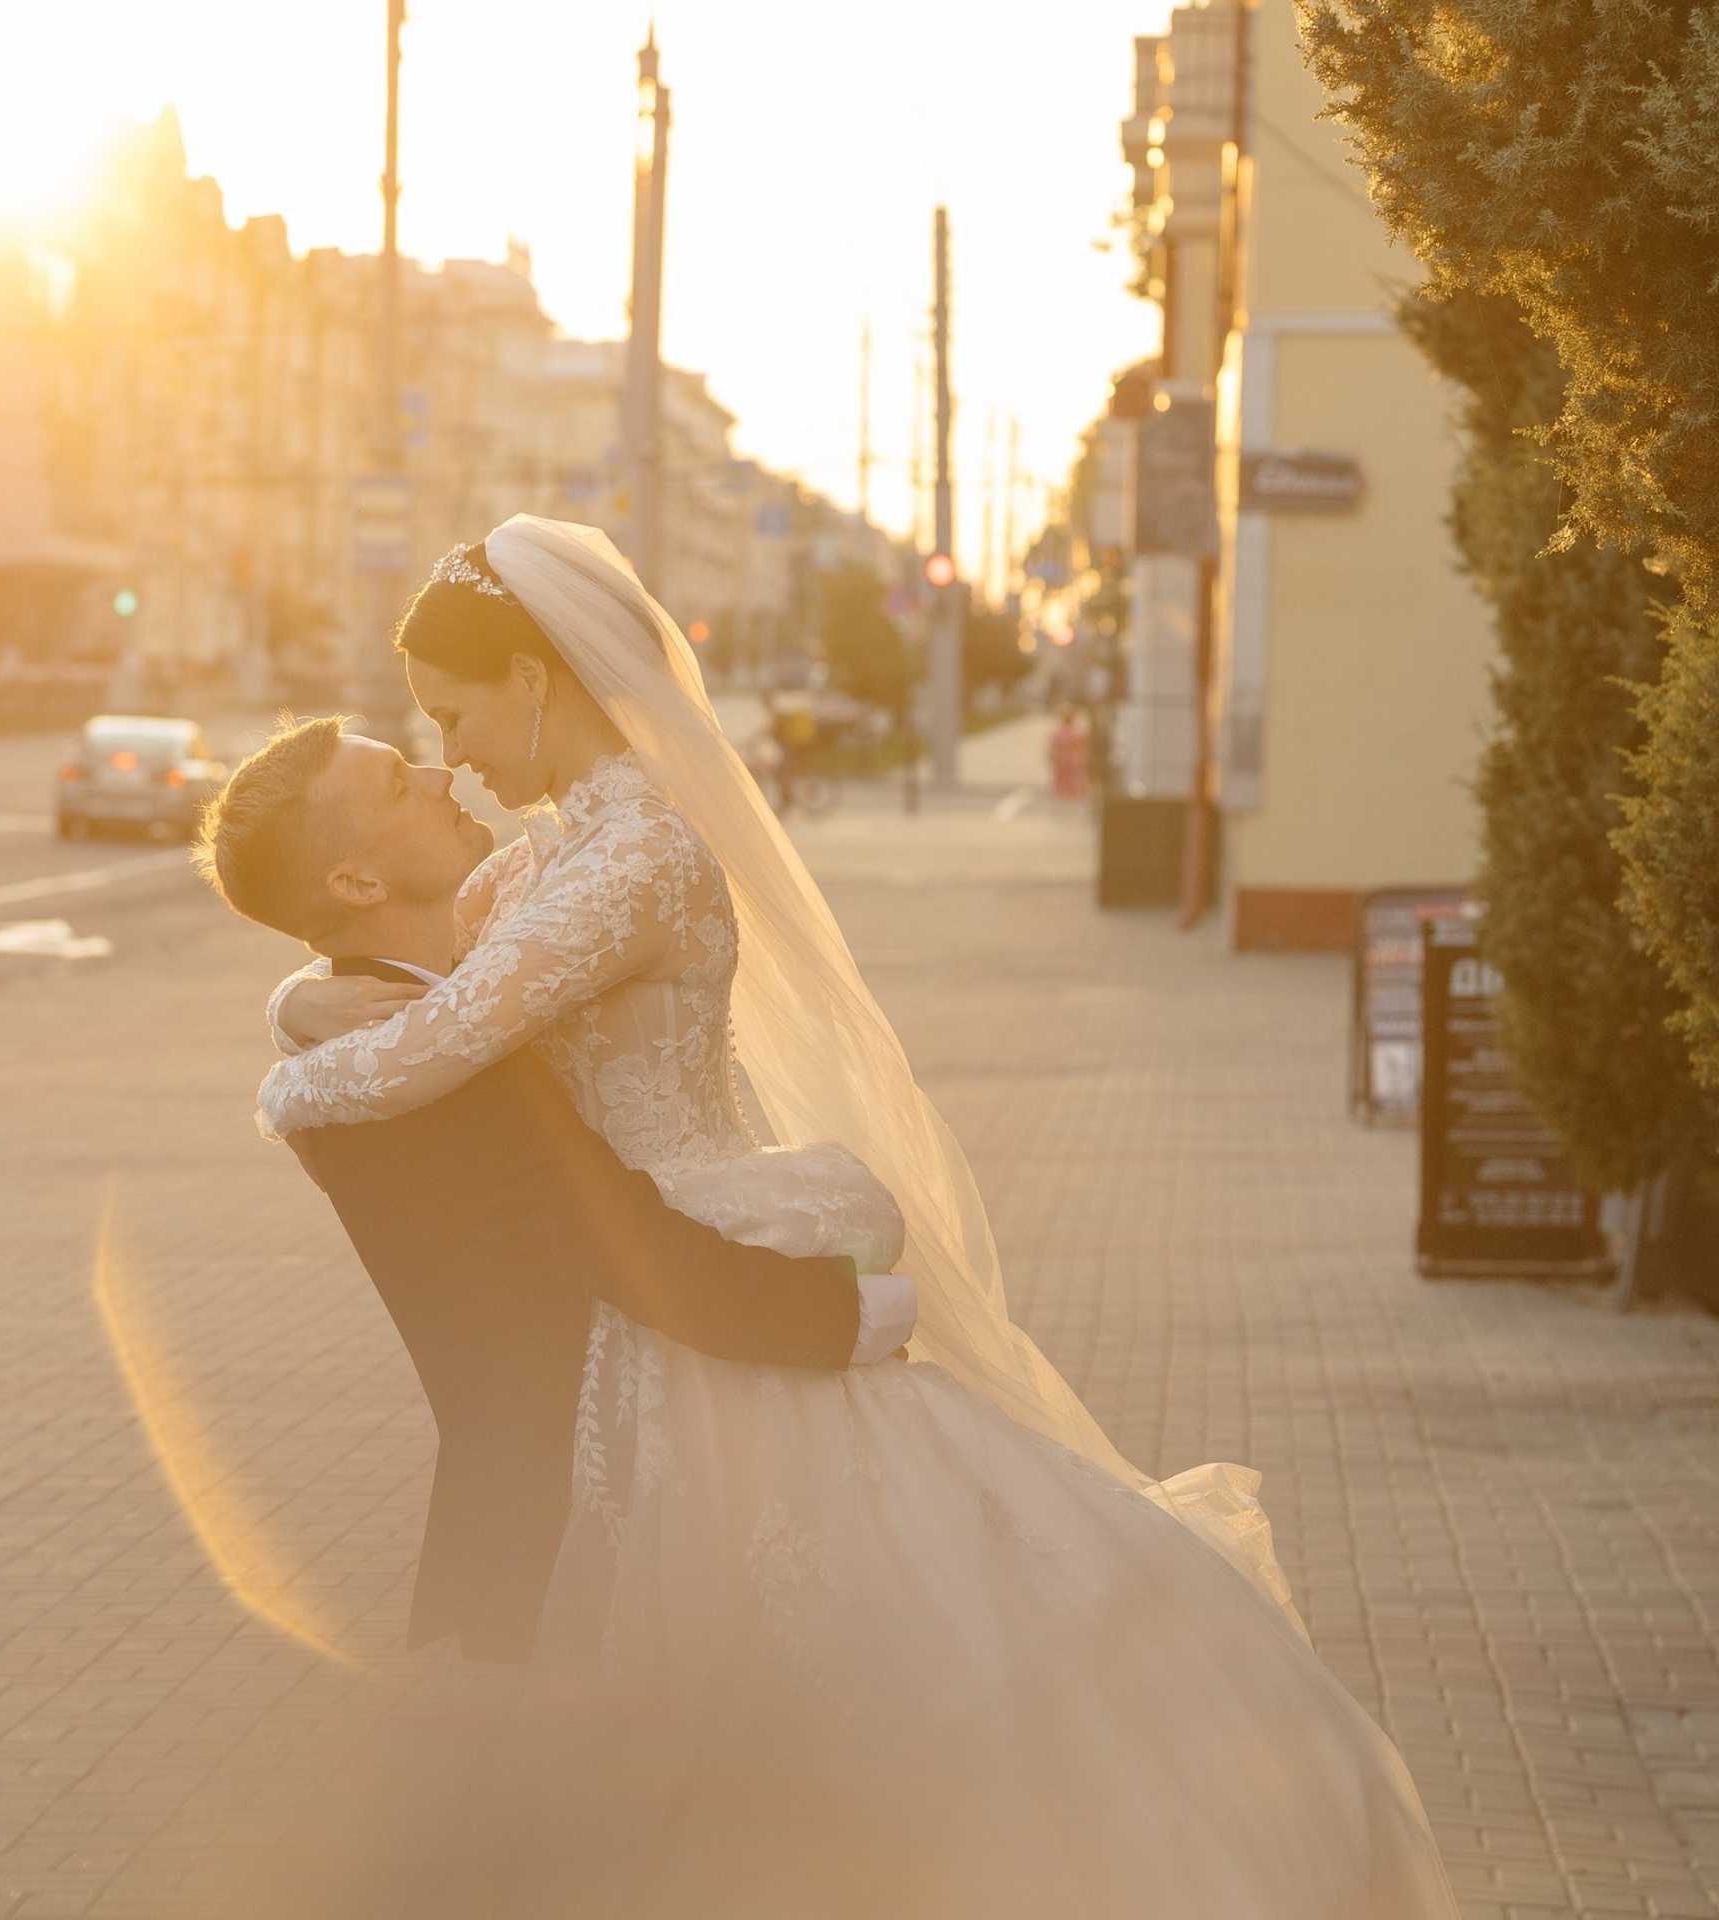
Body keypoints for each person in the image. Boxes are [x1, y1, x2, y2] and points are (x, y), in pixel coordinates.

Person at [254, 519, 1459, 1916]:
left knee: (854, 1674)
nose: (451, 756)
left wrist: (286, 1080)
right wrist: (299, 987)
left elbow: (432, 1039)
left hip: (697, 1272)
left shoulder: (635, 855)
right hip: (643, 1296)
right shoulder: (545, 859)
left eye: (452, 717)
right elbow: (398, 961)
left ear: (532, 678)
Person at [190, 719, 916, 1660]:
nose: (442, 770)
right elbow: (630, 1248)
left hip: (549, 1510)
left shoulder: (411, 1023)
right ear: (358, 884)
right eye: (401, 780)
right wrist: (849, 1314)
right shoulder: (431, 1082)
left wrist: (289, 1004)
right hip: (586, 1530)